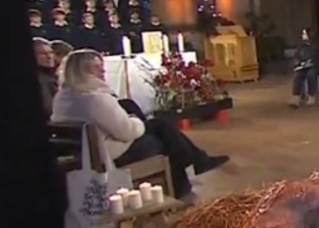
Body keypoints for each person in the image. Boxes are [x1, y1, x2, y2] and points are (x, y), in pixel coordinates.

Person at [51, 49, 229, 201]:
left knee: (160, 126)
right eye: (96, 67)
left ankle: (195, 165)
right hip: (108, 155)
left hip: (84, 153)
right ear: (81, 71)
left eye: (102, 66)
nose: (103, 71)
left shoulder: (62, 96)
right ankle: (185, 182)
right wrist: (135, 120)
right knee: (163, 140)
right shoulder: (95, 99)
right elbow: (128, 132)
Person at [290, 28, 319, 108]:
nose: (302, 35)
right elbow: (296, 56)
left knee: (311, 75)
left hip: (314, 66)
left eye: (304, 34)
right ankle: (296, 97)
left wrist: (311, 62)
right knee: (298, 76)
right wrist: (298, 63)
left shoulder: (317, 46)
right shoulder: (301, 45)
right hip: (303, 66)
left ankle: (311, 95)